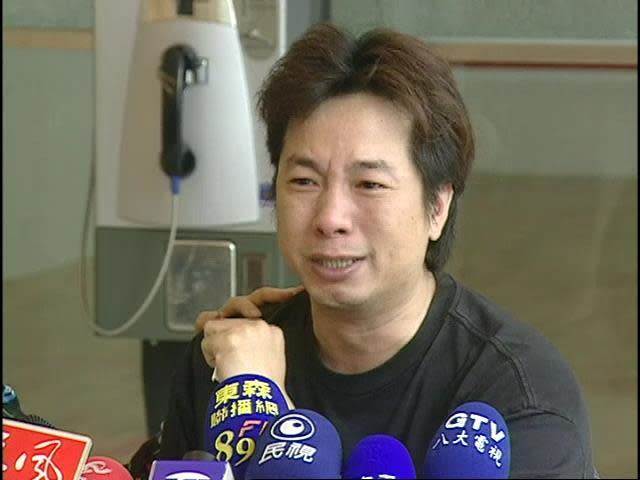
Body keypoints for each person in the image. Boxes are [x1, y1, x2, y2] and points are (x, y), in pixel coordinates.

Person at [158, 23, 597, 477]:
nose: (331, 217)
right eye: (304, 181)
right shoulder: (228, 358)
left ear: (437, 207)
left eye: (369, 184)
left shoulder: (517, 396)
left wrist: (261, 410)